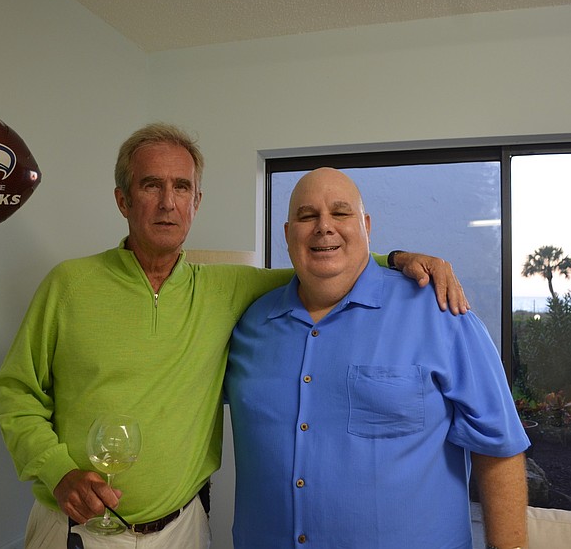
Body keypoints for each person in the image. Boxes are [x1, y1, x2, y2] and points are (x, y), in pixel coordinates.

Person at [0, 124, 470, 549]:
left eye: (182, 187)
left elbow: (323, 262)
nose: (167, 201)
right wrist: (58, 473)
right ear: (123, 199)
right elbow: (16, 394)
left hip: (182, 531)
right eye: (151, 186)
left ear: (196, 203)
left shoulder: (225, 287)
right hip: (76, 531)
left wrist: (402, 258)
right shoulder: (69, 285)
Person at [225, 167, 530, 549]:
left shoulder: (440, 312)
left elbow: (498, 448)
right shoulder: (249, 325)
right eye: (307, 216)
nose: (324, 227)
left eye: (340, 213)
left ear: (366, 226)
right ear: (288, 234)